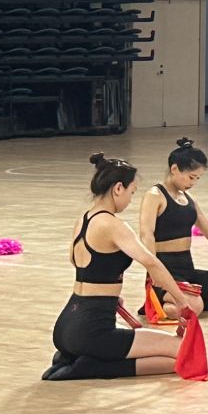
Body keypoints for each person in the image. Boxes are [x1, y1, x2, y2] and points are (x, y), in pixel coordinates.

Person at [44, 154, 192, 380]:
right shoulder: (113, 225)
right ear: (118, 188)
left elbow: (81, 265)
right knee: (182, 352)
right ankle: (92, 367)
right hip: (92, 331)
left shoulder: (84, 220)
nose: (131, 200)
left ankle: (84, 359)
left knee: (169, 356)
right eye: (132, 192)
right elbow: (151, 262)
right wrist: (182, 302)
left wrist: (110, 297)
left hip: (66, 327)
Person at [138, 138, 208, 313]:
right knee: (194, 306)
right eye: (191, 177)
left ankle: (191, 302)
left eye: (197, 178)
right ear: (174, 169)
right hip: (165, 271)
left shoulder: (188, 198)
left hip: (187, 269)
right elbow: (146, 234)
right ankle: (166, 303)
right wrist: (153, 269)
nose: (193, 183)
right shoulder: (154, 195)